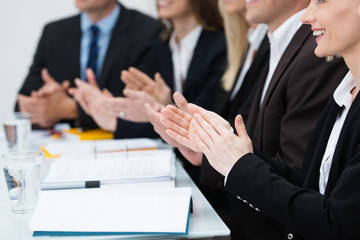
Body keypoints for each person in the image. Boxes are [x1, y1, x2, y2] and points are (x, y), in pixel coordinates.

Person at [160, 0, 360, 239]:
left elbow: (336, 222)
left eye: (320, 1)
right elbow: (308, 185)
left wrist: (239, 164)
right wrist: (220, 146)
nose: (306, 16)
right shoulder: (344, 91)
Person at [70, 0, 226, 139]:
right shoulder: (160, 46)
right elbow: (151, 121)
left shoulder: (221, 45)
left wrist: (166, 106)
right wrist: (112, 112)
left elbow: (211, 117)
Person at [16, 0, 160, 129]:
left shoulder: (149, 30)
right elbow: (21, 103)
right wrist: (44, 100)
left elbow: (147, 103)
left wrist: (68, 108)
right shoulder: (53, 32)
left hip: (123, 146)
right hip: (66, 149)